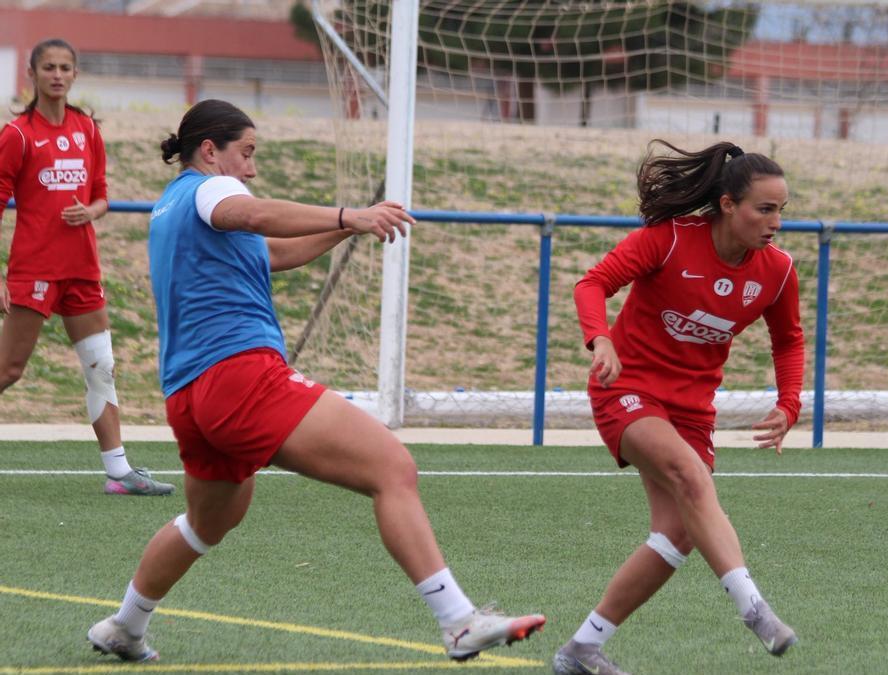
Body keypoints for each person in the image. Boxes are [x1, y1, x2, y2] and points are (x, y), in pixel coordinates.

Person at [86, 99, 545, 663]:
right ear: (210, 150)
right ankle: (457, 621)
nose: (251, 169)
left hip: (188, 396)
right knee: (392, 468)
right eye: (246, 154)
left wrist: (349, 229)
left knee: (210, 519)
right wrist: (348, 214)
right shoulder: (208, 190)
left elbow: (271, 250)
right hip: (240, 377)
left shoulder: (172, 206)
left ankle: (125, 626)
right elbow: (252, 216)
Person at [554, 139, 805, 674]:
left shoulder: (778, 271)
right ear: (728, 205)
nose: (776, 222)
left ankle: (581, 649)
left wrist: (789, 403)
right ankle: (755, 610)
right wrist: (600, 340)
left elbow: (788, 340)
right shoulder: (667, 240)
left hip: (692, 408)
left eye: (782, 210)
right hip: (627, 389)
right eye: (765, 209)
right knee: (692, 478)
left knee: (678, 533)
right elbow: (593, 283)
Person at [0, 38, 173, 496]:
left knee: (102, 366)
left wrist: (92, 211)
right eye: (49, 67)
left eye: (66, 68)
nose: (57, 75)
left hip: (82, 270)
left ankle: (118, 471)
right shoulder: (16, 134)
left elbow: (100, 193)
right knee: (9, 370)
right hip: (33, 270)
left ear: (75, 75)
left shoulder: (87, 130)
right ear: (32, 76)